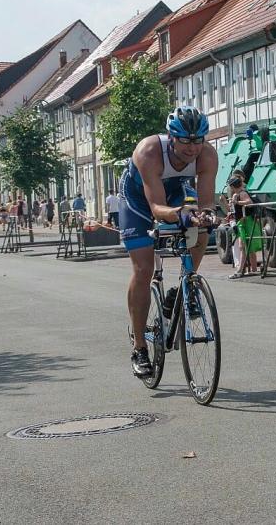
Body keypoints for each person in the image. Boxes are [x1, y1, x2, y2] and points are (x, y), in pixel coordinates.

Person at [119, 105, 217, 377]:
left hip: (174, 195)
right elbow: (156, 209)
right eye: (185, 140)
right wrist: (181, 214)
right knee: (143, 269)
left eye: (197, 140)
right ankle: (140, 347)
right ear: (171, 137)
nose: (192, 148)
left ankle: (185, 285)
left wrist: (206, 215)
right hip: (139, 202)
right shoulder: (149, 151)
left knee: (202, 230)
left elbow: (206, 202)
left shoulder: (207, 154)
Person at [227, 175, 262, 278]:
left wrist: (237, 202)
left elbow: (249, 203)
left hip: (246, 222)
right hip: (241, 222)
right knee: (248, 247)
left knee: (243, 246)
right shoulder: (236, 194)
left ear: (232, 186)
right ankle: (253, 269)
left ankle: (240, 271)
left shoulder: (242, 193)